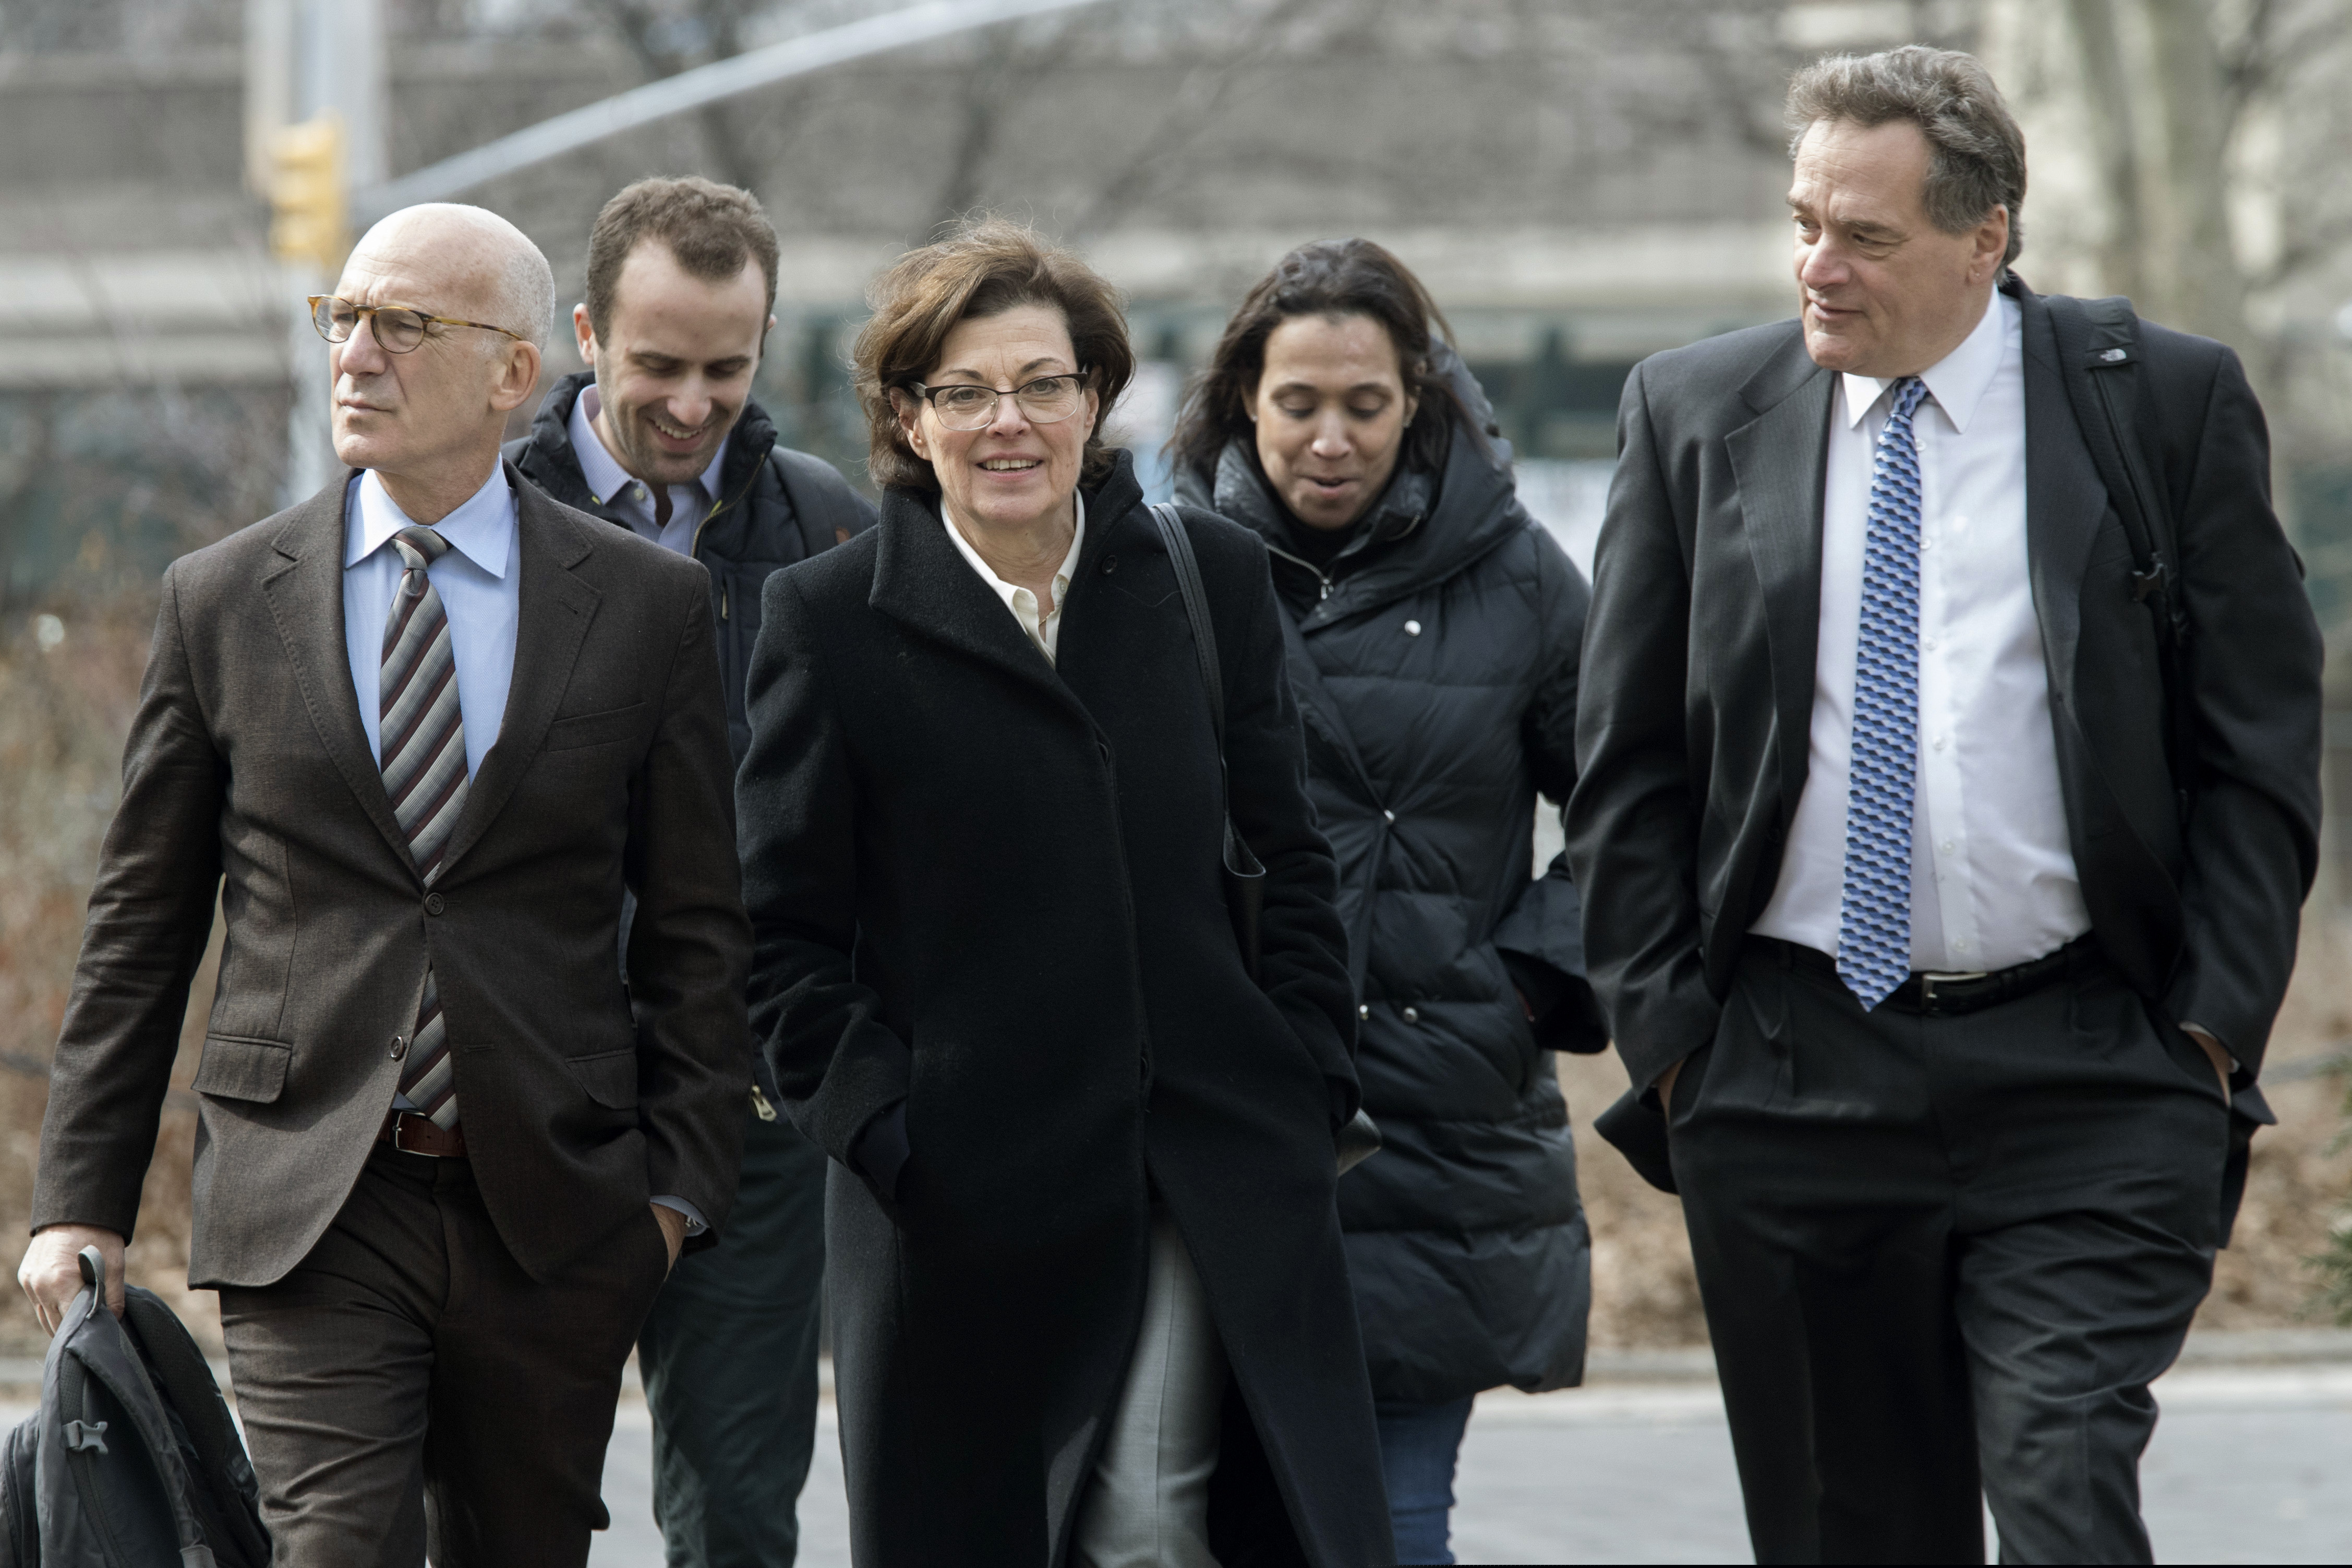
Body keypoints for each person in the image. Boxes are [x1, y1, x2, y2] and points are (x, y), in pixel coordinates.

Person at [1565, 46, 2323, 1564]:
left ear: (1986, 238)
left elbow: (2256, 742)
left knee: (2055, 1474)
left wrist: (2209, 1024)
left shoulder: (2157, 405)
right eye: (1801, 222)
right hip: (1784, 1074)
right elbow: (1629, 756)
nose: (1815, 265)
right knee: (1852, 1531)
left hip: (2088, 1062)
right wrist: (1670, 1040)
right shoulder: (1694, 409)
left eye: (1863, 234)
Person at [17, 202, 753, 1566]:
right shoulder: (224, 598)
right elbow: (140, 925)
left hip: (555, 1206)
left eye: (405, 323)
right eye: (344, 316)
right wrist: (82, 1197)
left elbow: (698, 931)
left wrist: (669, 1198)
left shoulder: (645, 606)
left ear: (514, 374)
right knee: (332, 1542)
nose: (357, 351)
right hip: (309, 1191)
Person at [737, 219, 1394, 1568]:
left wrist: (1307, 1071)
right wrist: (890, 1134)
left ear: (1095, 397)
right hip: (960, 1211)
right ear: (909, 420)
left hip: (1201, 1168)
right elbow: (782, 941)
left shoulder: (1205, 578)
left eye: (1042, 382)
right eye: (962, 391)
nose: (1007, 421)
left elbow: (1296, 849)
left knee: (1159, 1521)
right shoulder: (829, 618)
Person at [1171, 237, 1601, 1566]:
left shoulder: (1520, 576)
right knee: (1206, 1519)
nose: (1330, 438)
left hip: (1436, 1116)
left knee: (1397, 1523)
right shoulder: (1162, 567)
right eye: (1299, 402)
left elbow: (1642, 809)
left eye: (1365, 403)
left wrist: (1525, 980)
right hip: (1219, 1113)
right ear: (1246, 395)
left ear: (1419, 398)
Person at [504, 175, 873, 1568]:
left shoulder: (827, 528)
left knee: (740, 1514)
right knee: (506, 1503)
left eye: (726, 366)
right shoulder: (480, 510)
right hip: (527, 1093)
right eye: (658, 363)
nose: (691, 400)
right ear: (587, 333)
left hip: (749, 1107)